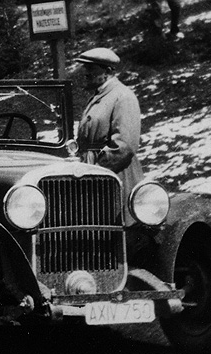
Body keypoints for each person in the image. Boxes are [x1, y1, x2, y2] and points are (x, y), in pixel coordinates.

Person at [73, 47, 145, 227]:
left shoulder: (122, 97)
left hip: (115, 177)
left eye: (91, 68)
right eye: (85, 68)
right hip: (95, 178)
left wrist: (96, 171)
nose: (85, 73)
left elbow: (124, 146)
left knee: (116, 231)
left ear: (108, 71)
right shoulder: (100, 96)